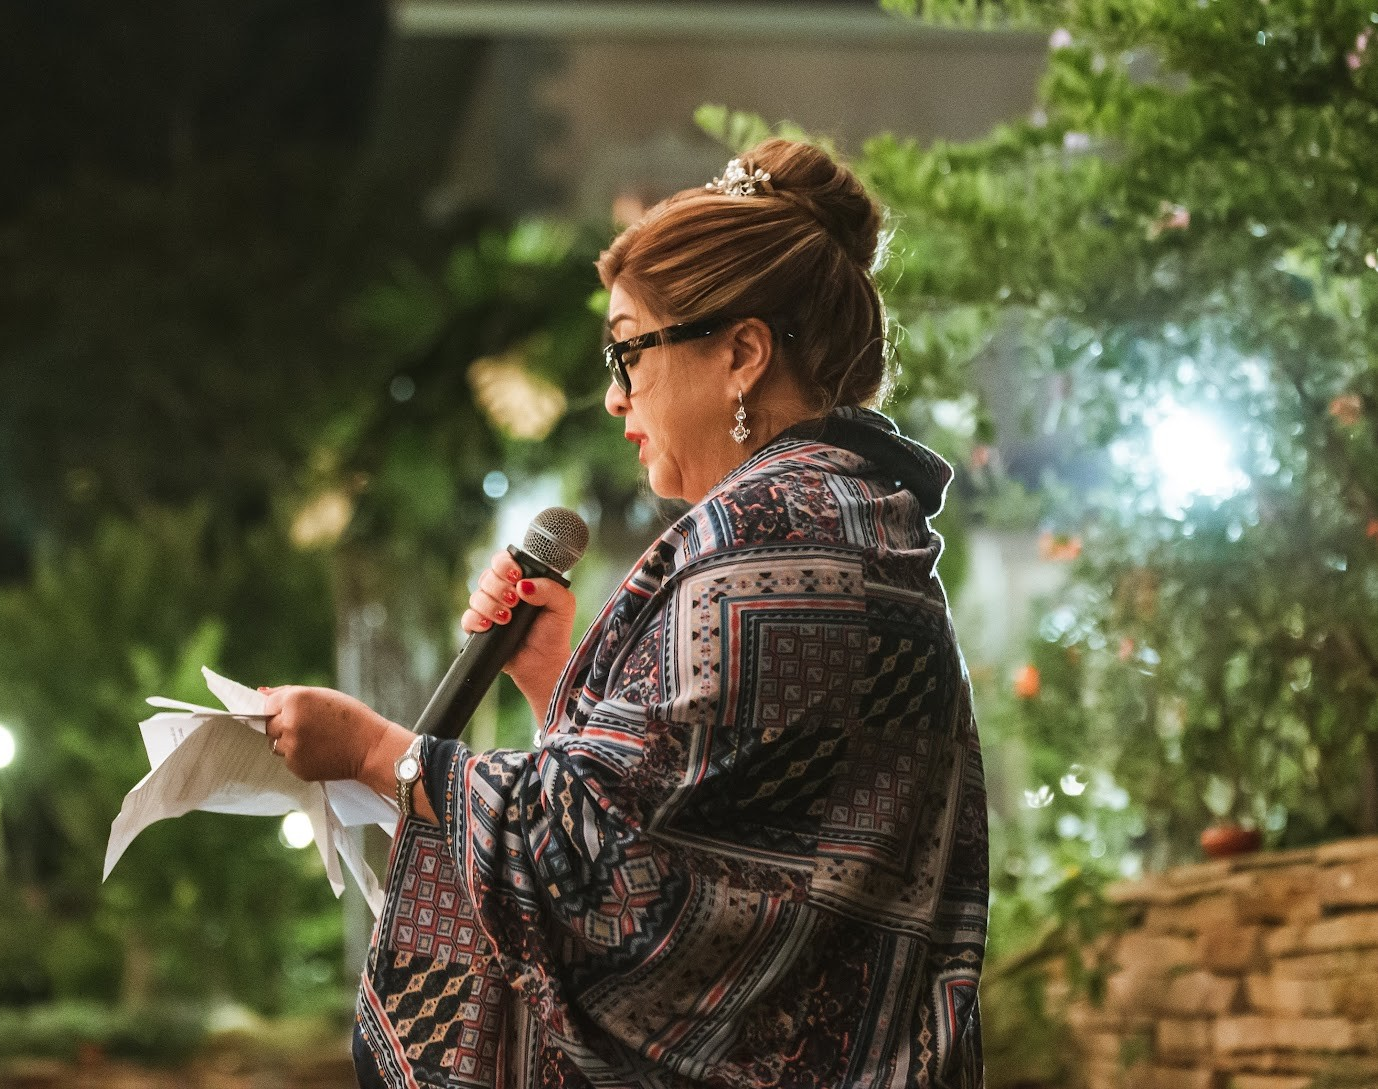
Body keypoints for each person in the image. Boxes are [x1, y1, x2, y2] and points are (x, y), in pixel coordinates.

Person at [262, 138, 988, 1089]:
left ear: (741, 353)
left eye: (628, 349)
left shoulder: (777, 538)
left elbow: (605, 875)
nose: (613, 395)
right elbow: (702, 835)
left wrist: (372, 752)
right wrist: (552, 681)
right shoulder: (838, 522)